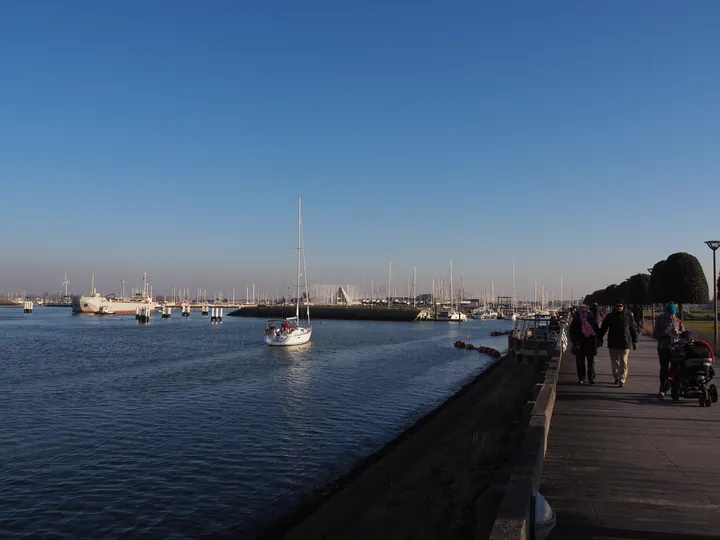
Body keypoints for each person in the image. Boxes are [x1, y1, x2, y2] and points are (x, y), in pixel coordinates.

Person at [599, 300, 638, 387]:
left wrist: (635, 341)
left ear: (623, 306)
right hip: (613, 342)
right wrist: (599, 338)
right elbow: (603, 327)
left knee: (623, 362)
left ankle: (622, 379)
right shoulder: (610, 316)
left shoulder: (629, 316)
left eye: (620, 306)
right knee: (614, 362)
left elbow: (633, 328)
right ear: (614, 307)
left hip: (625, 342)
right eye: (617, 306)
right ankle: (617, 377)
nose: (619, 307)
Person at [652, 302, 683, 397]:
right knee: (664, 369)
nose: (671, 315)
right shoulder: (660, 319)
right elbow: (655, 334)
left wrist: (679, 333)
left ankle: (675, 389)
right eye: (669, 313)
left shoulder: (677, 320)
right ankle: (662, 389)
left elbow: (683, 332)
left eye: (672, 314)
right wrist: (665, 333)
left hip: (675, 348)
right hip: (663, 347)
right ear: (666, 312)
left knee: (676, 369)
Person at [569, 304, 600, 384]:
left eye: (586, 311)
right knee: (580, 362)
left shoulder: (591, 320)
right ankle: (581, 378)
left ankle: (591, 378)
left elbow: (596, 331)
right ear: (579, 312)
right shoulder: (576, 321)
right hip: (579, 344)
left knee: (591, 362)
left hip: (590, 344)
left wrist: (598, 341)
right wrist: (575, 342)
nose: (584, 313)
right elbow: (572, 332)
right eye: (582, 311)